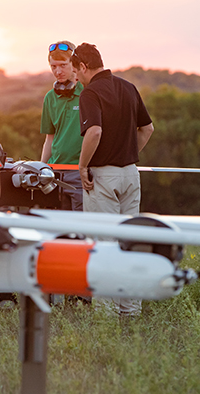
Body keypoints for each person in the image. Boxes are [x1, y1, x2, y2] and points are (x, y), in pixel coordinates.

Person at [71, 42, 154, 317]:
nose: (77, 79)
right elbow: (148, 128)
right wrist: (128, 153)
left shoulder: (90, 93)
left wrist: (83, 166)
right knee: (129, 244)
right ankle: (130, 312)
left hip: (102, 177)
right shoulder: (128, 87)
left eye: (76, 72)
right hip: (131, 174)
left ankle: (107, 319)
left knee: (103, 248)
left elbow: (93, 131)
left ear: (83, 67)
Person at [40, 41, 84, 211]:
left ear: (74, 65)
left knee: (81, 231)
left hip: (80, 174)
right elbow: (49, 139)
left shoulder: (89, 93)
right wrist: (41, 168)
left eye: (63, 65)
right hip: (54, 174)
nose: (58, 71)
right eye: (53, 66)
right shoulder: (49, 98)